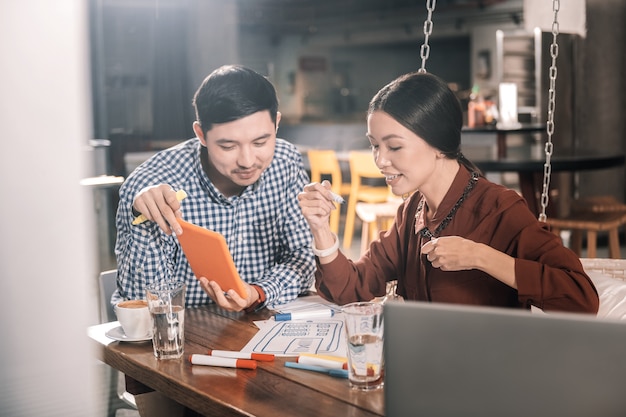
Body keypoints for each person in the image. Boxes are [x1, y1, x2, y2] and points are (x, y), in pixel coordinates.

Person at [298, 71, 599, 314]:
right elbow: (351, 288)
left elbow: (582, 299)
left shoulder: (500, 209)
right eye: (375, 145)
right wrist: (321, 230)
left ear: (439, 144)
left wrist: (481, 256)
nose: (380, 160)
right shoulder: (410, 213)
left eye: (394, 146)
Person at [113, 64, 316, 313]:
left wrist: (258, 292)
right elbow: (143, 306)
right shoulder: (153, 187)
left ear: (276, 123)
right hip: (187, 335)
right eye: (228, 146)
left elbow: (303, 256)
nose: (247, 161)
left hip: (261, 325)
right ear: (201, 134)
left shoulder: (285, 162)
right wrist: (144, 222)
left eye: (260, 142)